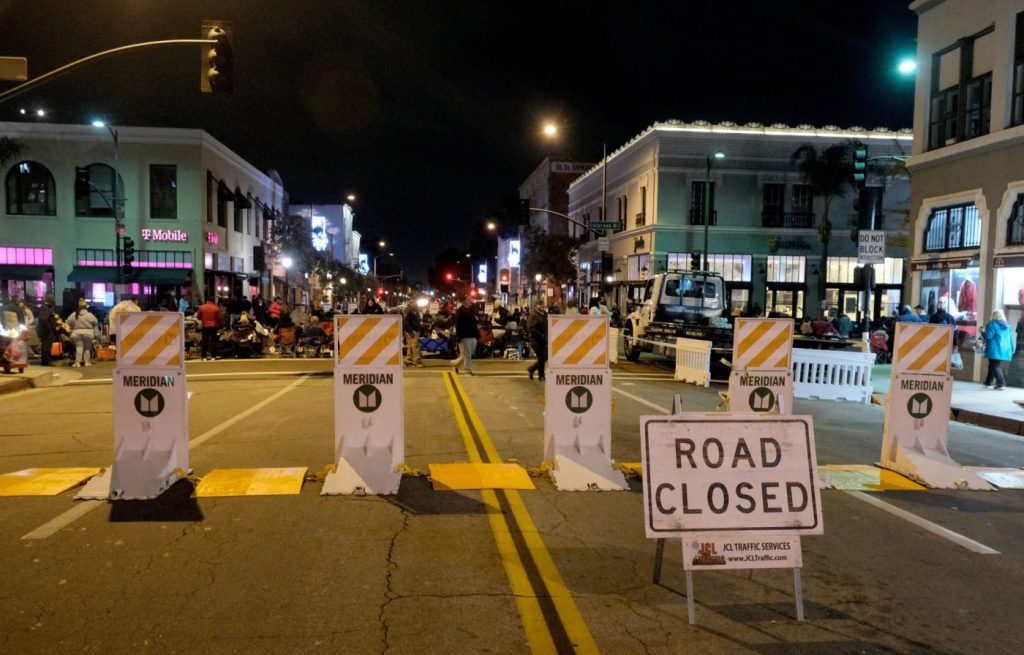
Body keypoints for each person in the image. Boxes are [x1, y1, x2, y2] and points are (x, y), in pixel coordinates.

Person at [982, 309, 1016, 390]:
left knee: (995, 365)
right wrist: (1012, 348)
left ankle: (1001, 383)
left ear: (994, 315)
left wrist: (983, 332)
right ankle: (988, 382)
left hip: (995, 348)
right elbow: (1011, 338)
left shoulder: (992, 324)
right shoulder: (1008, 325)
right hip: (1005, 349)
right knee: (992, 364)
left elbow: (988, 336)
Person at [66, 299, 99, 367]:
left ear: (79, 306)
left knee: (79, 348)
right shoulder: (90, 315)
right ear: (86, 307)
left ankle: (78, 363)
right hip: (88, 333)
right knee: (87, 348)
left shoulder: (74, 314)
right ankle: (87, 362)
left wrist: (73, 327)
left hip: (77, 333)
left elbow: (68, 322)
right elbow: (95, 322)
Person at [452, 295, 478, 375]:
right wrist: (459, 336)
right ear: (463, 301)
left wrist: (477, 335)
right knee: (467, 353)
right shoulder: (460, 311)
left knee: (467, 353)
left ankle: (455, 364)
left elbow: (474, 323)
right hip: (464, 335)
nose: (470, 300)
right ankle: (468, 369)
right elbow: (457, 324)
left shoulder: (471, 310)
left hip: (472, 334)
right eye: (468, 299)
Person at [195, 297, 223, 361]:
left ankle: (204, 356)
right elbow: (220, 318)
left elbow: (198, 317)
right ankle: (213, 356)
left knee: (205, 341)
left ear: (206, 301)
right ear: (213, 301)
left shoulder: (202, 307)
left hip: (205, 326)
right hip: (214, 326)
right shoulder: (216, 308)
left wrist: (203, 319)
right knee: (213, 341)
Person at [526, 301, 548, 380]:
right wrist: (541, 335)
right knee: (542, 357)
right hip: (535, 340)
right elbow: (531, 328)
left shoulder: (544, 314)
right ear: (536, 306)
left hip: (543, 340)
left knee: (544, 357)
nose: (542, 306)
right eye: (540, 304)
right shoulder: (533, 316)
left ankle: (532, 369)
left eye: (542, 304)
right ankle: (541, 376)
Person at [36, 293, 57, 366]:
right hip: (46, 331)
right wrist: (50, 328)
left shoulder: (47, 307)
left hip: (46, 330)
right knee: (46, 346)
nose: (54, 300)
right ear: (50, 299)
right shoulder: (45, 308)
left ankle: (46, 361)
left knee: (46, 346)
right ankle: (46, 361)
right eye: (53, 298)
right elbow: (43, 320)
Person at [403, 299, 424, 368]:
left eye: (413, 301)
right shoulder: (408, 310)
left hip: (414, 330)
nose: (412, 303)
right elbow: (406, 321)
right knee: (415, 346)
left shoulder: (415, 310)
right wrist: (410, 330)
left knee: (411, 346)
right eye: (411, 302)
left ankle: (409, 360)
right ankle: (417, 361)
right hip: (412, 331)